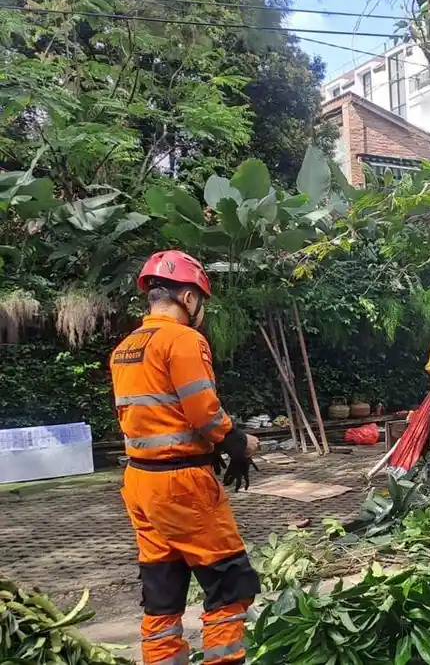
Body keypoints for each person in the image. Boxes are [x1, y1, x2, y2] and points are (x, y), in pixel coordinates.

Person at [110, 251, 261, 665]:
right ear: (189, 299)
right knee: (230, 583)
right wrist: (238, 443)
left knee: (162, 591)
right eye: (202, 304)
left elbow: (152, 415)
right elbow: (203, 413)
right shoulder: (183, 340)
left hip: (140, 483)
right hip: (182, 484)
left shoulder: (126, 348)